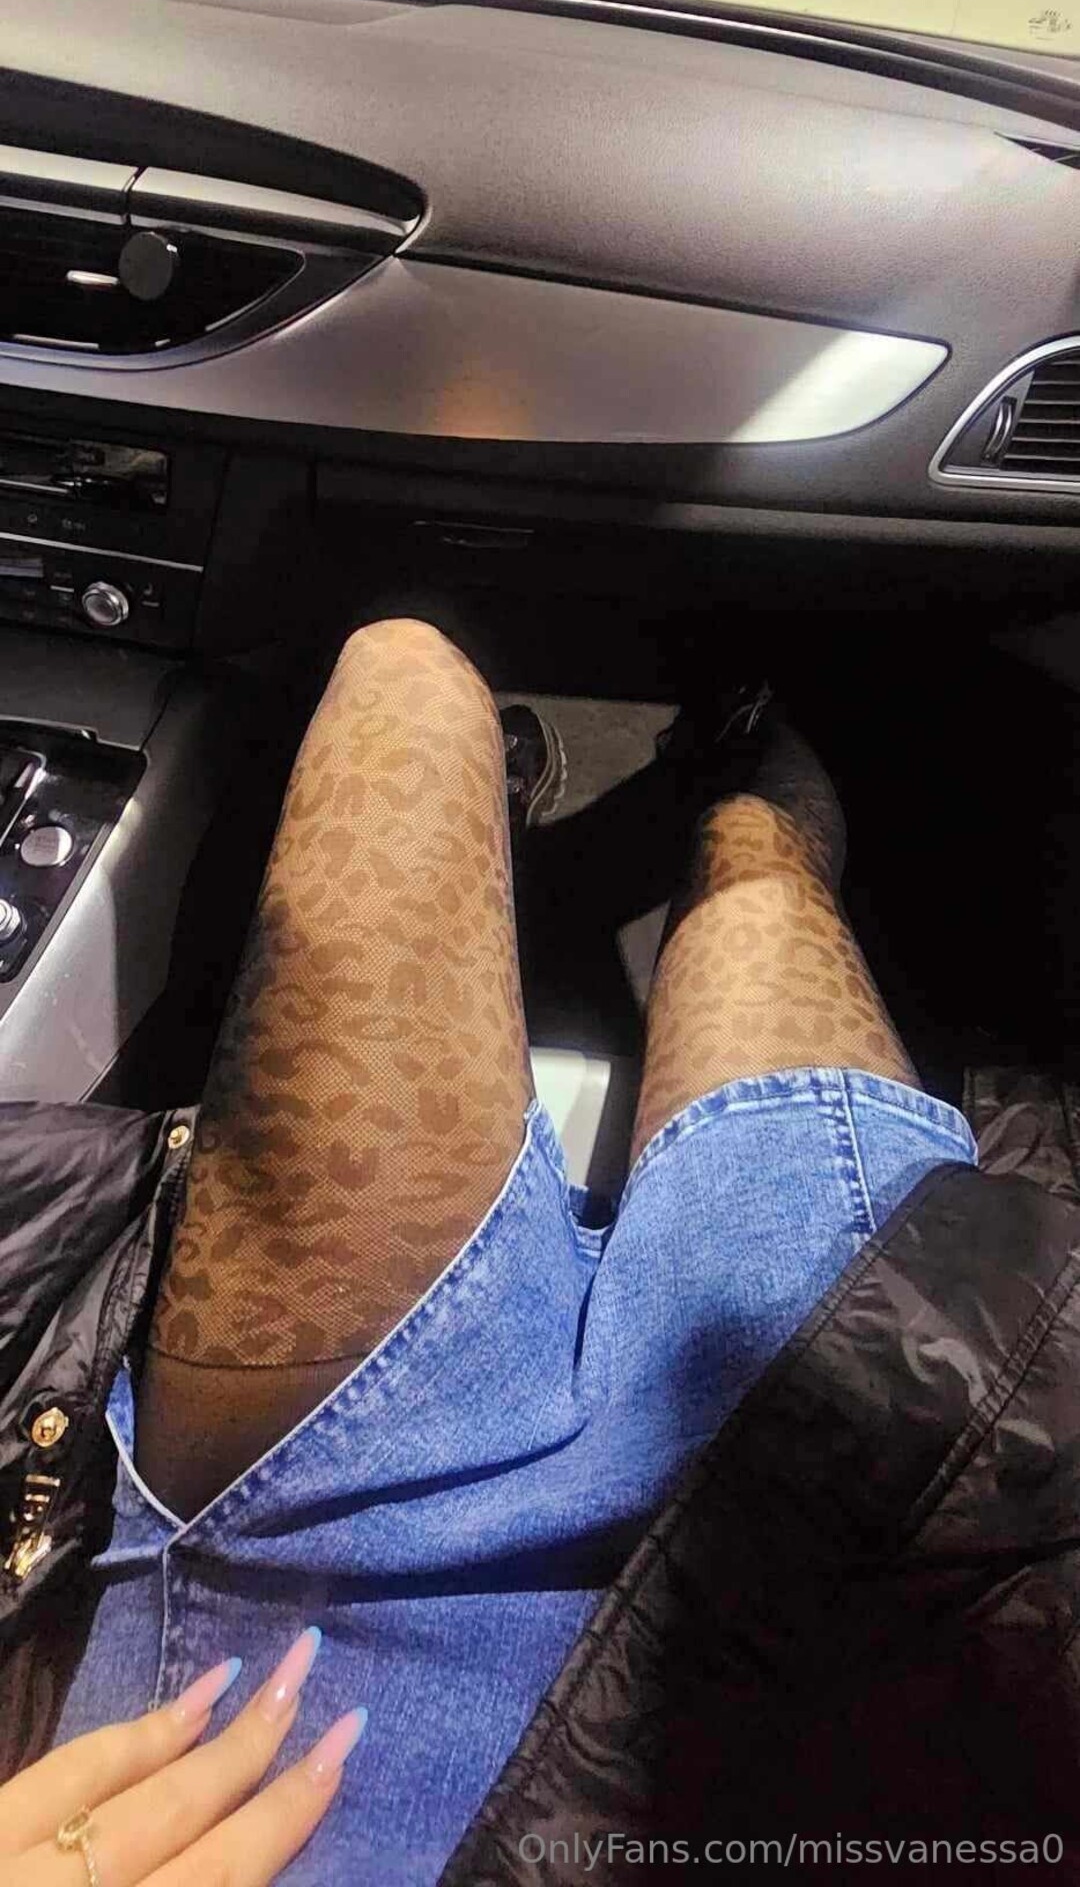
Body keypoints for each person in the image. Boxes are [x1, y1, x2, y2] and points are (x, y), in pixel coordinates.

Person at [1, 619, 1078, 1885]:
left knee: (403, 680)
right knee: (758, 875)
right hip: (816, 1564)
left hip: (284, 1563)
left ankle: (531, 851)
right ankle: (730, 760)